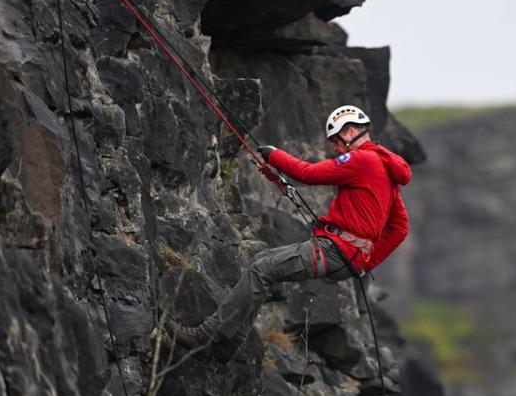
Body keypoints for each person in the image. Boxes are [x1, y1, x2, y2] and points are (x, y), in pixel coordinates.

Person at [165, 105, 411, 361]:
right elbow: (400, 228)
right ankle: (229, 344)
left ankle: (205, 336)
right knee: (261, 263)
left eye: (336, 141)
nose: (335, 149)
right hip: (347, 257)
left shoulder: (362, 160)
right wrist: (366, 261)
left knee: (262, 270)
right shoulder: (387, 174)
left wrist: (274, 155)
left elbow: (308, 173)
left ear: (350, 132)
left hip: (335, 251)